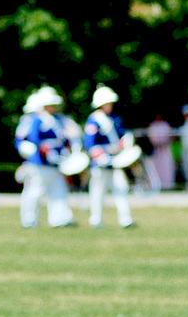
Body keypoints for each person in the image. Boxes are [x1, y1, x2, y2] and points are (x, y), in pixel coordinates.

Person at [14, 85, 77, 228]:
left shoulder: (58, 120)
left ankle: (58, 219)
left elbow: (64, 139)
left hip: (56, 162)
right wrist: (46, 151)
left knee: (59, 191)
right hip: (40, 163)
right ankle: (30, 220)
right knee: (35, 192)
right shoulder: (37, 120)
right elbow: (34, 139)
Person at [83, 85, 135, 228]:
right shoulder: (94, 120)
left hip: (115, 161)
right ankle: (96, 219)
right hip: (100, 163)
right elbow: (89, 144)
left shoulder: (115, 119)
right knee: (98, 191)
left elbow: (122, 136)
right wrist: (102, 153)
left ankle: (126, 219)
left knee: (121, 188)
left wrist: (125, 143)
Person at [147, 113, 176, 190]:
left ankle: (168, 186)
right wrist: (157, 143)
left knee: (167, 168)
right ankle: (157, 185)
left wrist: (165, 142)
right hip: (156, 150)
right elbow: (151, 137)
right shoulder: (153, 125)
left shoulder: (166, 125)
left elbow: (170, 136)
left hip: (165, 150)